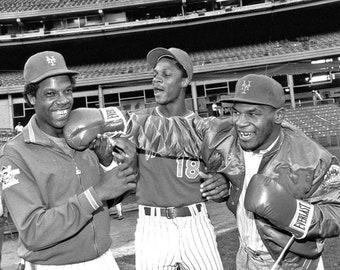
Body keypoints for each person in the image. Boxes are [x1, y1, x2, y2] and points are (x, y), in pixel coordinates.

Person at [65, 47, 229, 270]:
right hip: (152, 226)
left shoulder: (203, 129)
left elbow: (220, 180)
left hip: (195, 223)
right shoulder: (137, 123)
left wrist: (222, 182)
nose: (157, 80)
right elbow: (126, 182)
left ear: (184, 80)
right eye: (155, 74)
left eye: (166, 74)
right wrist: (112, 160)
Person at [0, 51, 138, 270]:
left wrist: (108, 164)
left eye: (67, 91)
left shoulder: (84, 134)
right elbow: (33, 232)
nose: (63, 101)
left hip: (102, 260)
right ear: (31, 97)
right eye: (51, 94)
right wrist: (97, 193)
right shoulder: (15, 153)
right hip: (53, 266)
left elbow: (109, 200)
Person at [201, 74, 340, 270]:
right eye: (236, 112)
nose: (240, 122)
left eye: (252, 113)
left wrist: (294, 214)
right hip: (245, 255)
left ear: (279, 116)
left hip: (292, 263)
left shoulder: (313, 158)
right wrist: (225, 184)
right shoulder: (229, 141)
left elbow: (336, 212)